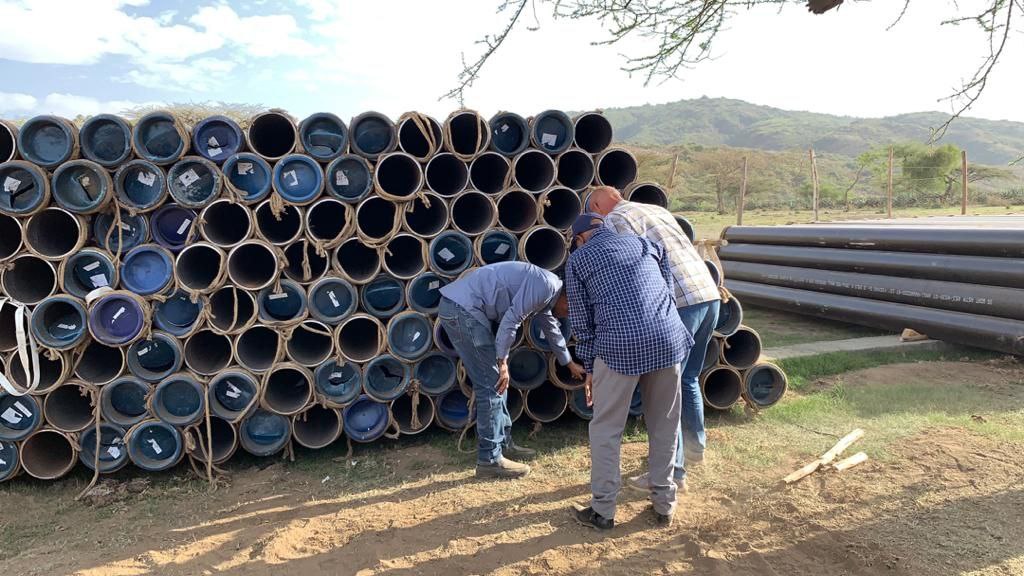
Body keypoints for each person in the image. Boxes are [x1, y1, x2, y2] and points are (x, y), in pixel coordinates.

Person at [588, 185, 720, 493]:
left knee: (666, 392)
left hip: (678, 303)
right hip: (708, 295)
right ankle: (695, 448)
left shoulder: (615, 221)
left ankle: (673, 472)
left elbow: (627, 268)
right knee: (688, 378)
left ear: (596, 206)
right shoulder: (656, 210)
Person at [565, 213, 693, 530]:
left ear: (580, 238)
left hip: (618, 347)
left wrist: (589, 365)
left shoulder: (578, 259)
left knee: (606, 430)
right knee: (665, 424)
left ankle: (603, 511)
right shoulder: (645, 244)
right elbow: (666, 290)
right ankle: (664, 505)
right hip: (667, 339)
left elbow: (581, 320)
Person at [439, 261, 586, 479]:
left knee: (499, 382)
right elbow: (511, 320)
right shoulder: (545, 285)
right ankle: (489, 460)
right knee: (492, 384)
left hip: (461, 308)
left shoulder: (548, 292)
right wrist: (502, 361)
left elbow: (550, 327)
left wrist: (568, 363)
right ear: (567, 297)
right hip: (462, 310)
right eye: (570, 309)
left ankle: (503, 444)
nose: (567, 315)